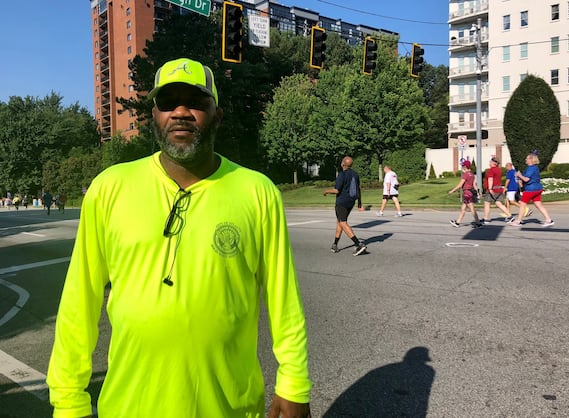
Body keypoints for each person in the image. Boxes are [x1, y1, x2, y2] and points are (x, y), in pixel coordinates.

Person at [47, 58, 312, 418]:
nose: (181, 112)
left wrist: (294, 383)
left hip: (229, 407)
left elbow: (285, 300)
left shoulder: (257, 192)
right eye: (169, 102)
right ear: (152, 115)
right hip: (129, 407)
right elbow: (79, 302)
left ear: (217, 116)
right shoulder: (109, 188)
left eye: (197, 102)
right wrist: (67, 401)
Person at [323, 156, 367, 256]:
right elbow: (358, 189)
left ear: (343, 164)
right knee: (339, 222)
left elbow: (336, 190)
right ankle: (335, 245)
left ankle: (358, 244)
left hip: (342, 202)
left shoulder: (341, 175)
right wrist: (360, 203)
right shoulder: (355, 174)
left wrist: (326, 191)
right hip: (351, 202)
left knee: (343, 222)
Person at [510, 150, 554, 227]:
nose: (525, 159)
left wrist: (519, 175)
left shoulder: (530, 168)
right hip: (537, 189)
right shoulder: (535, 168)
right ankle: (548, 220)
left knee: (522, 204)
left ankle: (518, 221)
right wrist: (520, 180)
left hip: (530, 189)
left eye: (527, 158)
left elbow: (527, 179)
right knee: (538, 204)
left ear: (531, 159)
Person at [447, 160, 481, 228]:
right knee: (463, 208)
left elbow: (460, 185)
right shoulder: (472, 175)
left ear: (465, 166)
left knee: (471, 208)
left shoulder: (465, 175)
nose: (462, 167)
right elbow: (474, 185)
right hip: (470, 192)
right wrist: (478, 192)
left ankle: (478, 223)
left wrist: (452, 191)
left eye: (463, 166)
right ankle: (458, 222)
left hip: (466, 193)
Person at [481, 156, 513, 224]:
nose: (489, 162)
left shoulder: (491, 170)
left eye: (490, 161)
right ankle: (510, 216)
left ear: (493, 163)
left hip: (492, 189)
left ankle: (485, 219)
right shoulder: (499, 170)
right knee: (498, 203)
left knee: (487, 203)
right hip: (499, 189)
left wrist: (490, 188)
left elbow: (490, 179)